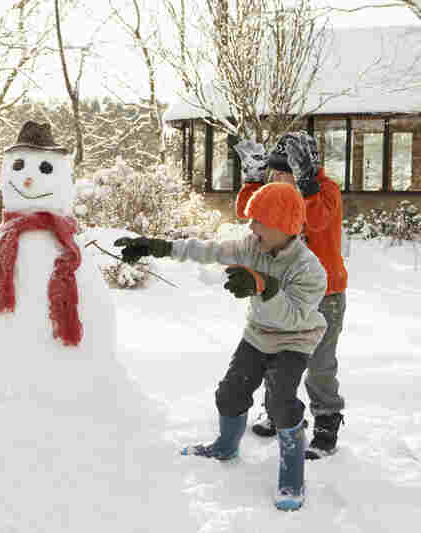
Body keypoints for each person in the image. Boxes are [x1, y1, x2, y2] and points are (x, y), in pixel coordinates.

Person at [115, 182, 327, 511]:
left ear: (284, 226)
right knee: (230, 392)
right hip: (258, 335)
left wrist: (263, 286)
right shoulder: (251, 246)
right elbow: (209, 249)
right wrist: (158, 246)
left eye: (259, 221)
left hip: (295, 340)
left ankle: (292, 474)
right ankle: (225, 447)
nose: (251, 226)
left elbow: (295, 315)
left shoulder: (309, 269)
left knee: (282, 402)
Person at [235, 132, 347, 460]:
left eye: (289, 171)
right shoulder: (277, 194)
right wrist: (253, 180)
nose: (282, 177)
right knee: (276, 353)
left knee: (320, 362)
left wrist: (308, 182)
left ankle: (326, 419)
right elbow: (247, 212)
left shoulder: (325, 191)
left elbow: (317, 219)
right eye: (276, 171)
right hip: (283, 292)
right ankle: (275, 409)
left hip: (326, 294)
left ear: (308, 167)